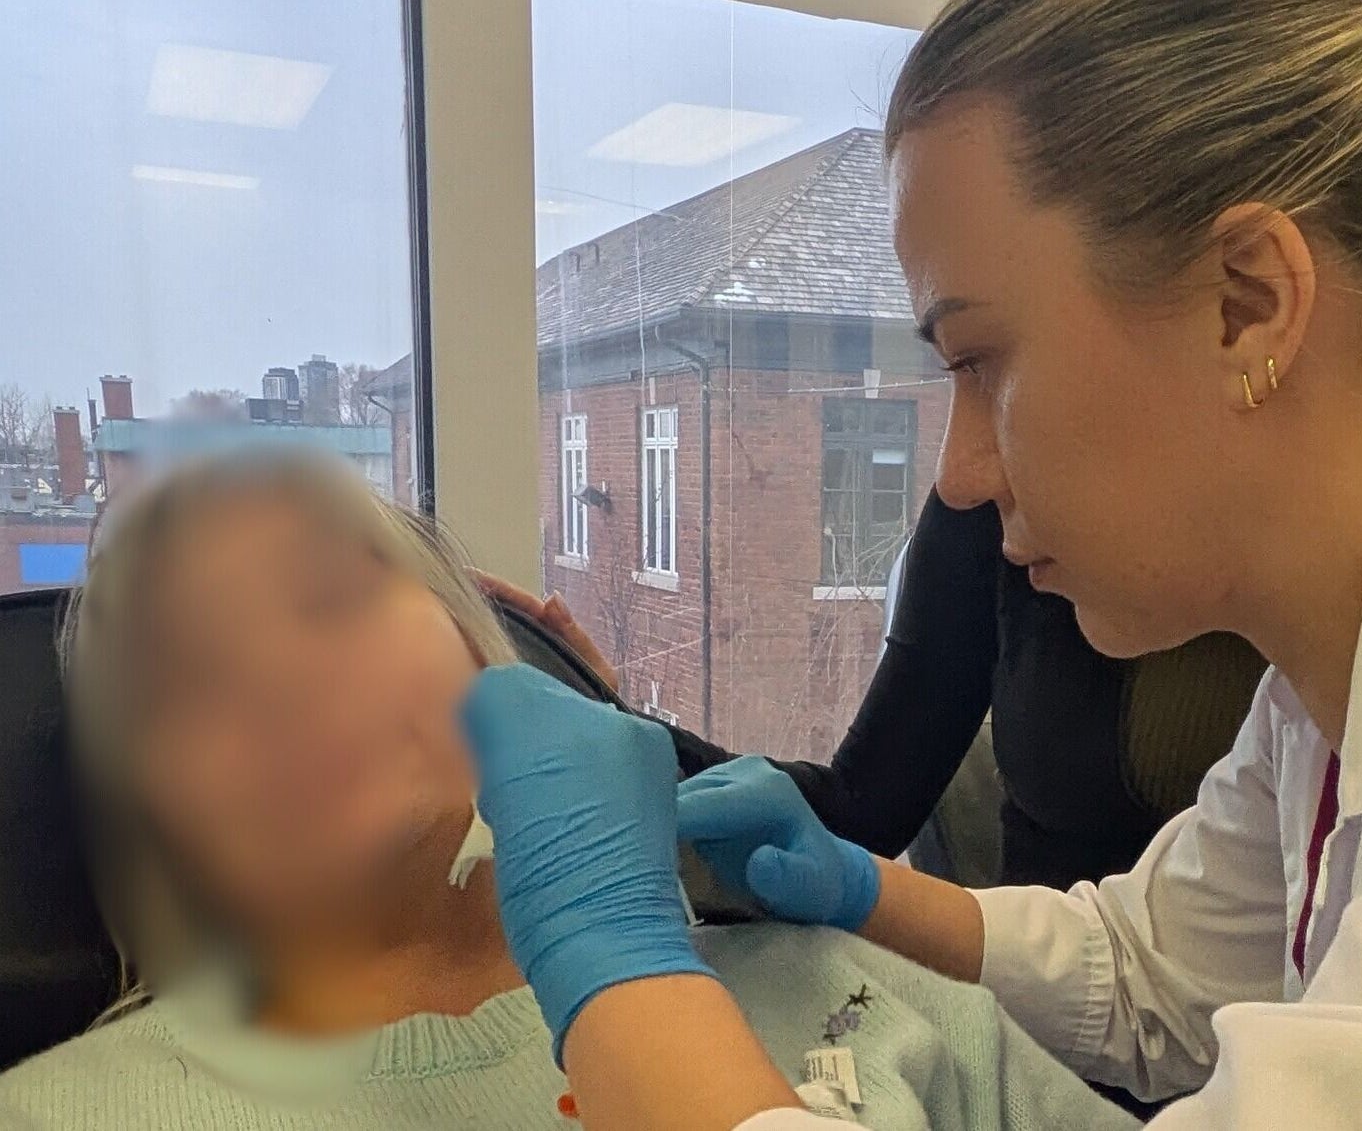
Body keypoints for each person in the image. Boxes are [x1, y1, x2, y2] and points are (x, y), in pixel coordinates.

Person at [455, 0, 1362, 1129]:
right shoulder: (1325, 681)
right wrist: (859, 889)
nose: (959, 475)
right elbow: (1156, 977)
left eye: (979, 359)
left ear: (1246, 303)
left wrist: (612, 961)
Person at [0, 449, 1137, 1131]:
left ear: (470, 644)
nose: (284, 680)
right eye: (195, 675)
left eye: (330, 597)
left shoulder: (837, 979)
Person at [490, 491, 1268, 893]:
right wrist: (607, 724)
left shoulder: (1312, 726)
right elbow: (859, 807)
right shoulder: (979, 508)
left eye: (984, 357)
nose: (956, 473)